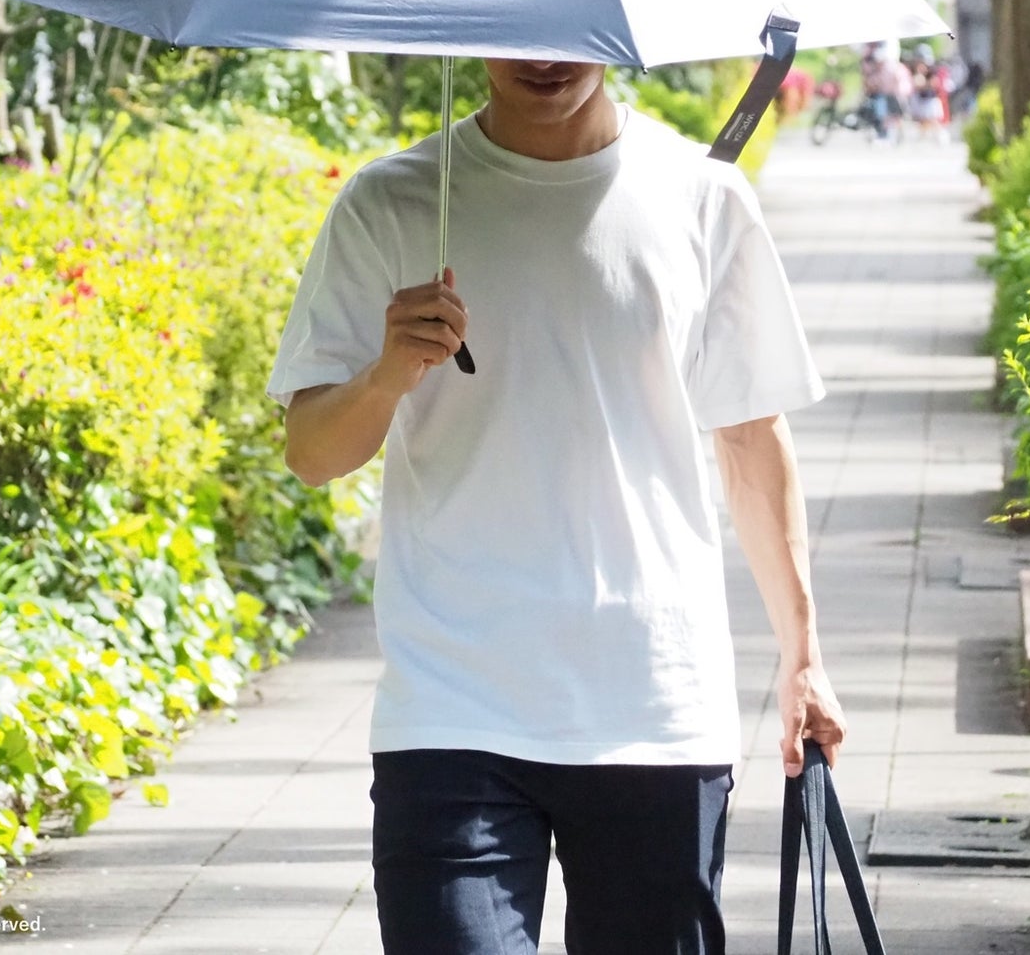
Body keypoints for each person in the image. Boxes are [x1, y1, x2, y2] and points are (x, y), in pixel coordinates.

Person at [268, 58, 846, 955]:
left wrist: (802, 654)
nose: (544, 56)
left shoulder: (701, 197)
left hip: (653, 703)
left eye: (566, 32)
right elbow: (312, 452)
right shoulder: (395, 201)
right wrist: (387, 375)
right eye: (517, 30)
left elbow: (749, 439)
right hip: (452, 704)